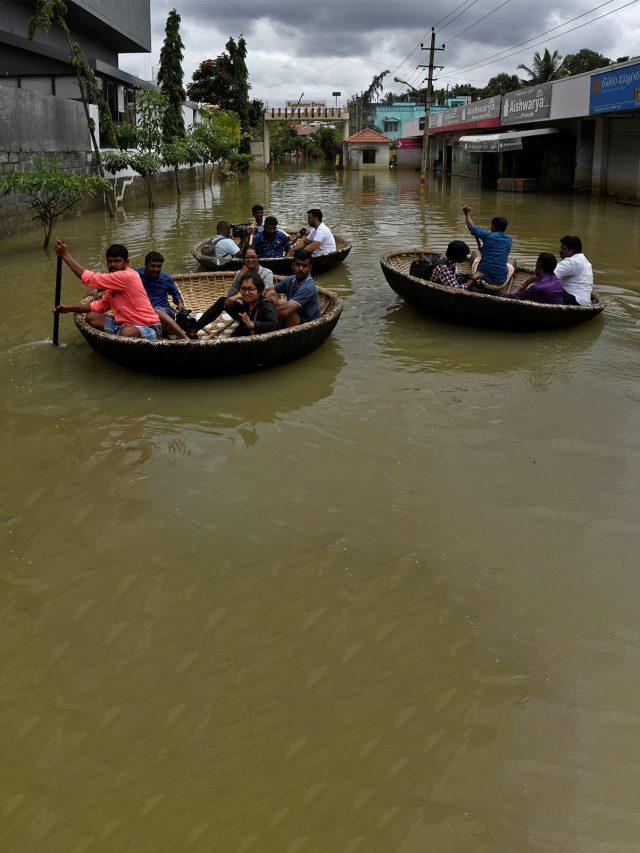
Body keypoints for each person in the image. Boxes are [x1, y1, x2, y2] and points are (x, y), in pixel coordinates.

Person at [52, 240, 187, 340]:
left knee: (128, 332)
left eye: (117, 261)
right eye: (110, 261)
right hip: (124, 324)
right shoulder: (117, 280)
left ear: (126, 263)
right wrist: (68, 308)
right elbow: (99, 306)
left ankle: (184, 340)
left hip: (149, 326)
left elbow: (90, 279)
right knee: (91, 318)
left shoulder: (127, 275)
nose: (113, 265)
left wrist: (65, 255)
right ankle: (120, 333)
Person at [192, 270, 279, 337]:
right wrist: (237, 296)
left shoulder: (266, 305)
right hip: (245, 320)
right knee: (223, 301)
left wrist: (253, 324)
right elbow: (234, 295)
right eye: (243, 289)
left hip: (255, 328)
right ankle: (194, 329)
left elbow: (273, 324)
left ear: (259, 291)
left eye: (251, 289)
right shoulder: (247, 302)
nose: (246, 292)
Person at [265, 249, 320, 327]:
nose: (300, 269)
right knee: (271, 293)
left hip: (308, 323)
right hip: (295, 313)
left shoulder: (308, 286)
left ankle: (279, 330)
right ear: (293, 265)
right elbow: (270, 290)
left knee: (288, 312)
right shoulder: (290, 279)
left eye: (304, 266)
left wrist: (262, 314)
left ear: (310, 268)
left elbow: (285, 311)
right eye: (298, 265)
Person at [462, 205, 513, 288]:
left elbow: (471, 227)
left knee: (475, 253)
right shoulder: (509, 239)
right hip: (500, 282)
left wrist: (467, 213)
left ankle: (474, 275)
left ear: (493, 226)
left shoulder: (488, 236)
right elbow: (505, 253)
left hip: (482, 277)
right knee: (512, 260)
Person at [135, 251, 185, 319]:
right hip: (144, 312)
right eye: (152, 266)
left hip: (164, 311)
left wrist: (179, 303)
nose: (156, 269)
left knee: (156, 311)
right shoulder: (135, 275)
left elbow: (175, 293)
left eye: (159, 266)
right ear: (145, 265)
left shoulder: (166, 279)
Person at [555, 235, 593, 305]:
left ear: (572, 251)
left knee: (548, 285)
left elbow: (547, 275)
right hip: (585, 302)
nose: (560, 251)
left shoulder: (572, 261)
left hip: (575, 300)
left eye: (563, 248)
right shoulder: (583, 259)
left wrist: (529, 282)